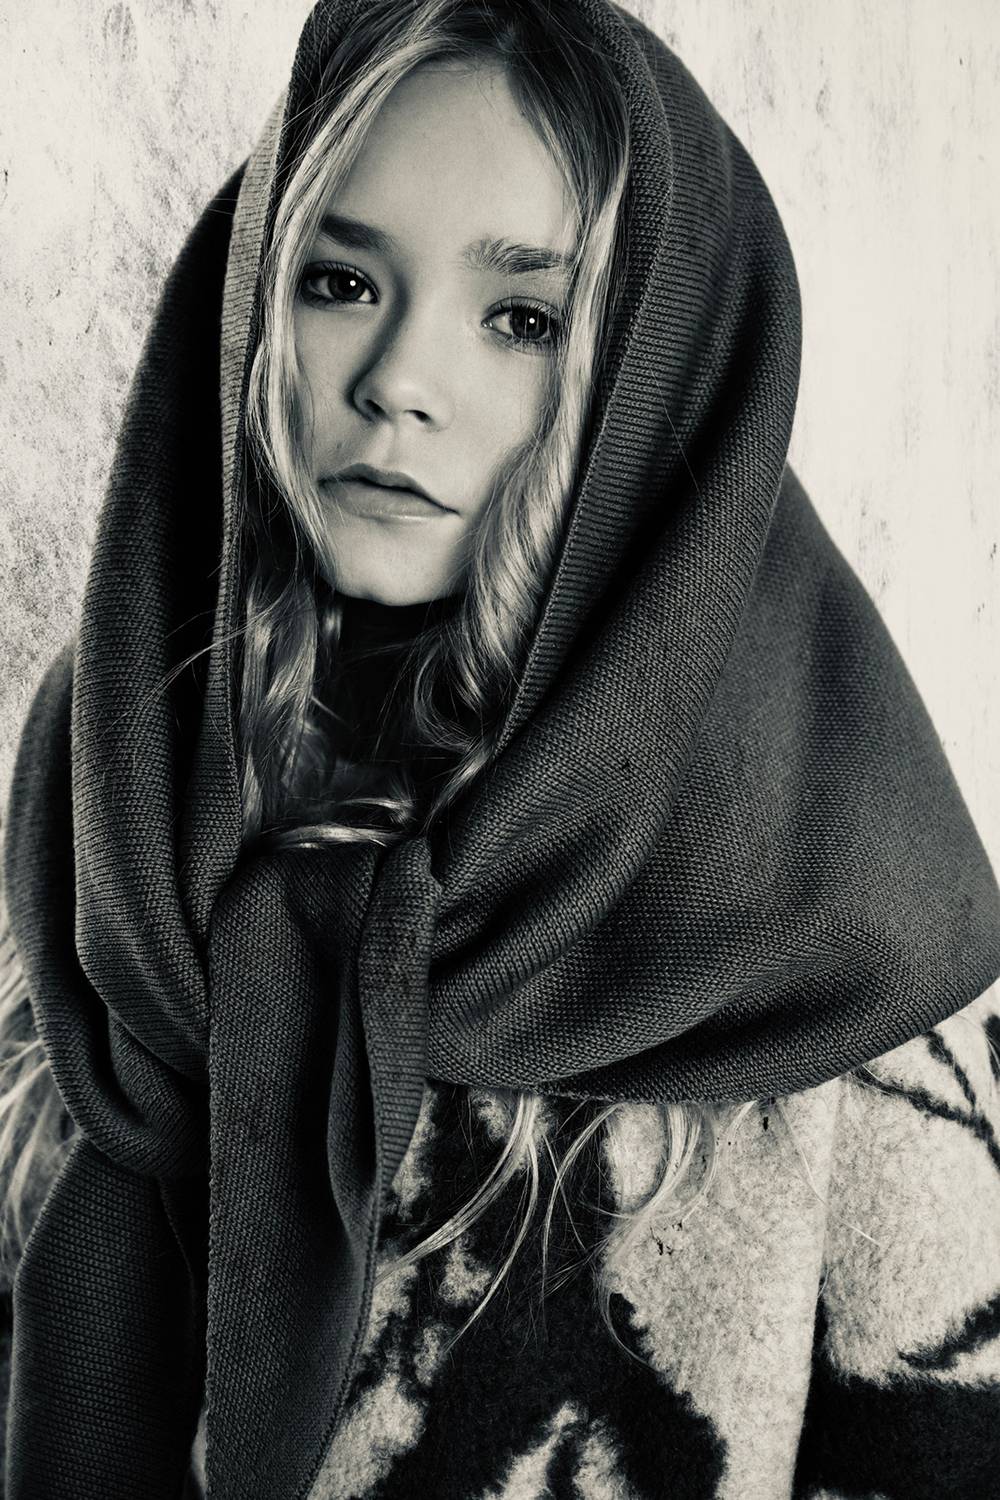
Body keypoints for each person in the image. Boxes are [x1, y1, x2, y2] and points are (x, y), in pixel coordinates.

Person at [2, 1, 999, 1496]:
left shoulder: (838, 930)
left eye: (523, 317)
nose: (398, 378)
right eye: (340, 281)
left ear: (659, 378)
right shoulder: (105, 816)